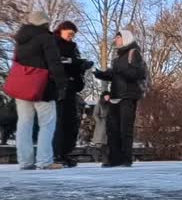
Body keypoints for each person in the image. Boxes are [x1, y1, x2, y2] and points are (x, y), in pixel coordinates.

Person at [7, 11, 68, 170]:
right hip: (43, 88)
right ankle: (44, 161)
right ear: (44, 23)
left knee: (24, 124)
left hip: (22, 87)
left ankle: (25, 162)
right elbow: (54, 63)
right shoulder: (46, 38)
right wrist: (62, 84)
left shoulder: (20, 40)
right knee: (47, 124)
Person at [94, 30, 147, 167]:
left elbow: (138, 73)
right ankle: (114, 159)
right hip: (115, 96)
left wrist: (121, 71)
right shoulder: (116, 58)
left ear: (126, 39)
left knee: (125, 129)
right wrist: (101, 74)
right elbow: (114, 75)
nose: (116, 40)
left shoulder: (133, 53)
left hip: (128, 96)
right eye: (116, 38)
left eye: (118, 37)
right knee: (112, 129)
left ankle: (126, 159)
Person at [52, 20, 93, 167]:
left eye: (73, 35)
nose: (71, 37)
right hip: (57, 86)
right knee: (59, 121)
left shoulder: (73, 47)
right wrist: (74, 62)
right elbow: (56, 63)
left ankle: (65, 152)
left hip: (71, 86)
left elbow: (74, 64)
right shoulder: (52, 43)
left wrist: (82, 65)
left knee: (71, 122)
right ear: (61, 30)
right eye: (69, 34)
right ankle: (56, 154)